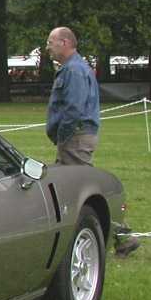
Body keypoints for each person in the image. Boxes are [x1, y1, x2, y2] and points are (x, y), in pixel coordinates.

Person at [45, 26, 140, 257]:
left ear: (65, 43)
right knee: (80, 188)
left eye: (51, 42)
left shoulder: (74, 71)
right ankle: (119, 235)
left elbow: (74, 109)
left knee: (83, 191)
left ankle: (121, 235)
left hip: (75, 137)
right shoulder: (72, 68)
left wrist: (62, 135)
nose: (47, 46)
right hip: (75, 136)